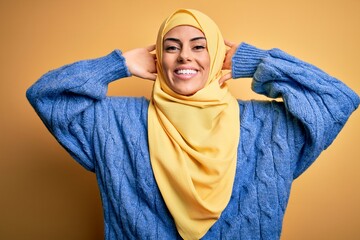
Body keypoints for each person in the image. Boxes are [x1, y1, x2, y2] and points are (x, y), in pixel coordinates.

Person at [26, 8, 359, 240]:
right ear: (159, 59)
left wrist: (258, 62)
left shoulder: (266, 127)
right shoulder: (116, 123)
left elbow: (337, 100)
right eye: (171, 48)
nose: (184, 56)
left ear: (215, 57)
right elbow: (46, 96)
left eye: (199, 47)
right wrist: (119, 64)